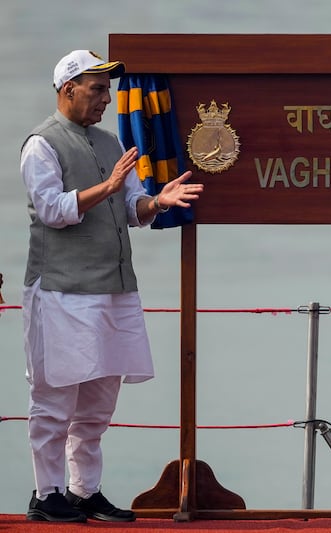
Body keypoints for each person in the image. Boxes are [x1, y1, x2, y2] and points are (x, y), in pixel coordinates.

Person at [20, 50, 204, 523]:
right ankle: (47, 494)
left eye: (108, 89)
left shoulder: (108, 143)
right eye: (97, 88)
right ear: (68, 90)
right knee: (55, 398)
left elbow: (131, 208)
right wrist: (109, 188)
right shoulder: (42, 144)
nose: (107, 97)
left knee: (99, 402)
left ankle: (85, 492)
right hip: (61, 290)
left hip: (113, 288)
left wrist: (157, 202)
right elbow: (52, 210)